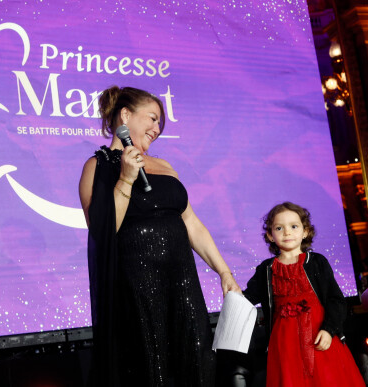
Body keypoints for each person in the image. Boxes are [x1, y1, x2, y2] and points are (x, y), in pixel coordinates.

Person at [78, 86, 241, 387]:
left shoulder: (165, 167)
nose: (156, 129)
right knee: (151, 369)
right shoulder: (97, 166)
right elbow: (102, 230)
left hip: (182, 282)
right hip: (137, 289)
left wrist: (224, 272)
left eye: (159, 124)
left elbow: (192, 223)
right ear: (125, 115)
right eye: (152, 119)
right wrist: (126, 178)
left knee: (197, 358)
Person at [242, 202, 365, 386]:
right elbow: (247, 299)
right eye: (279, 228)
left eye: (294, 226)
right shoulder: (266, 270)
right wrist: (230, 288)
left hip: (319, 338)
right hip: (285, 347)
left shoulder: (316, 262)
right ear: (270, 235)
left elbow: (336, 300)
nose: (287, 232)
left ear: (305, 231)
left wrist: (329, 330)